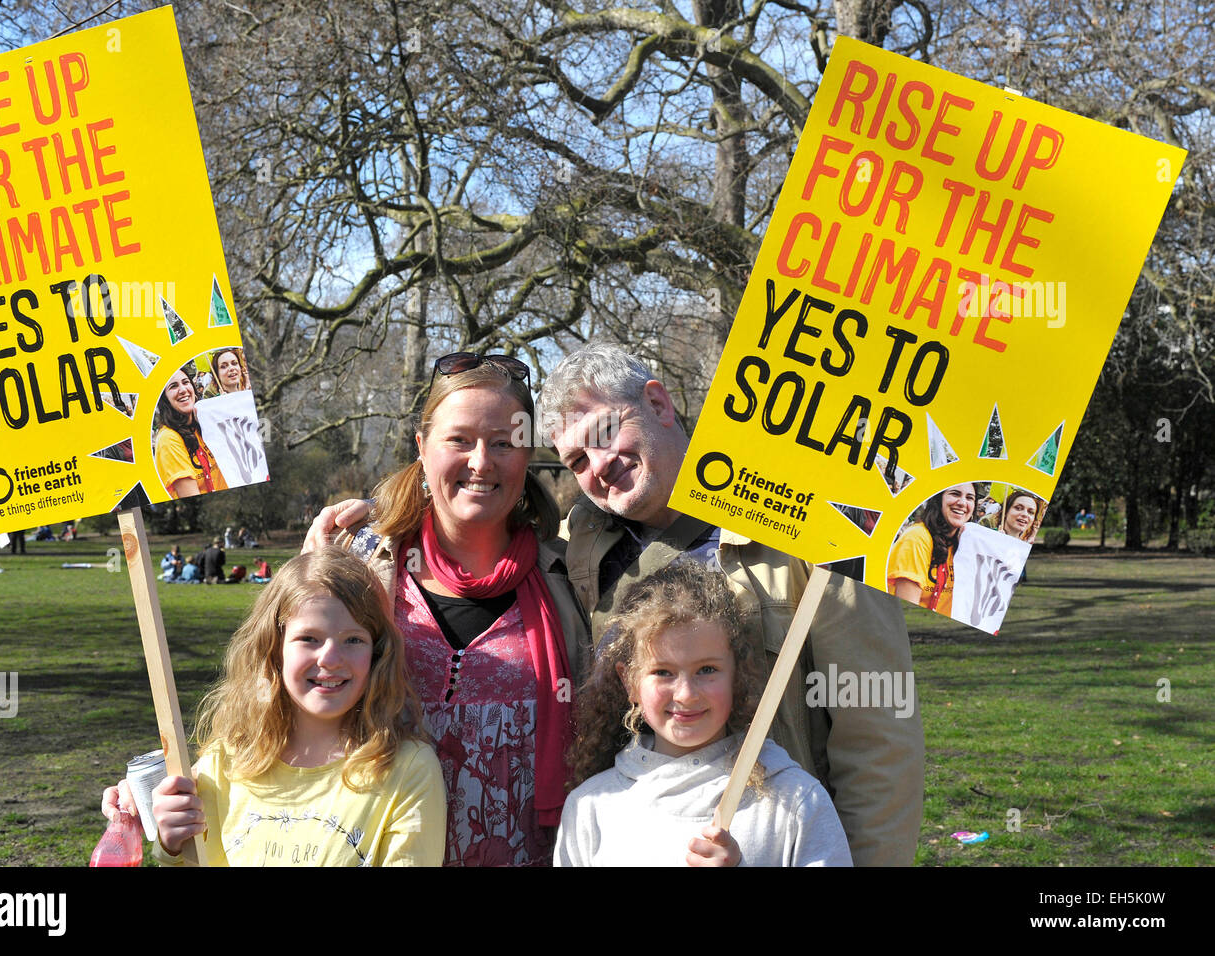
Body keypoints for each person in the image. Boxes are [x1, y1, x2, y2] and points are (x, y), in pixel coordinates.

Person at [314, 344, 923, 866]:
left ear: (658, 404)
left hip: (764, 837)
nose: (600, 466)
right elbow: (468, 526)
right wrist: (376, 530)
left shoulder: (816, 530)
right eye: (577, 460)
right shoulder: (581, 548)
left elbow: (879, 746)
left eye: (606, 435)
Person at [307, 352, 589, 866]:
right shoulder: (363, 571)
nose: (481, 462)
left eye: (503, 443)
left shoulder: (572, 581)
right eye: (459, 440)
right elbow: (280, 711)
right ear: (422, 447)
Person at [103, 549, 446, 866]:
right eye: (308, 638)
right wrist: (166, 834)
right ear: (274, 648)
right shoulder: (228, 761)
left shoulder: (407, 771)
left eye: (353, 639)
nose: (329, 657)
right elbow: (190, 856)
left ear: (376, 653)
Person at [556, 562, 852, 867]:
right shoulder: (590, 809)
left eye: (707, 670)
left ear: (736, 675)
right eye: (662, 672)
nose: (686, 694)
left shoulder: (795, 802)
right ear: (630, 681)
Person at [887, 483, 976, 616]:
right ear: (938, 499)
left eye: (970, 498)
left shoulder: (964, 545)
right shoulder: (916, 538)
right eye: (955, 494)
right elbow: (906, 614)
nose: (963, 503)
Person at [153, 365, 230, 499]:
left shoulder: (204, 425)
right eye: (173, 386)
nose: (182, 390)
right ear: (164, 399)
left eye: (185, 382)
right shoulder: (168, 439)